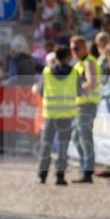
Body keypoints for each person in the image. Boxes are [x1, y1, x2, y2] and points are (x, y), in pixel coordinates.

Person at [35, 44, 78, 186]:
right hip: (66, 115)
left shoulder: (47, 72)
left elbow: (40, 91)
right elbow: (79, 91)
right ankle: (60, 176)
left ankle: (42, 175)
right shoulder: (74, 72)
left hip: (50, 114)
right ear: (68, 57)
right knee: (63, 147)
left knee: (46, 145)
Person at [70, 36, 101, 184]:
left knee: (84, 138)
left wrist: (77, 89)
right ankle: (85, 168)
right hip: (79, 105)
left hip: (87, 105)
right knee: (76, 138)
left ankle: (87, 171)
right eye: (71, 49)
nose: (73, 52)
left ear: (84, 48)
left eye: (76, 49)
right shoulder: (79, 64)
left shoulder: (88, 62)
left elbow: (92, 83)